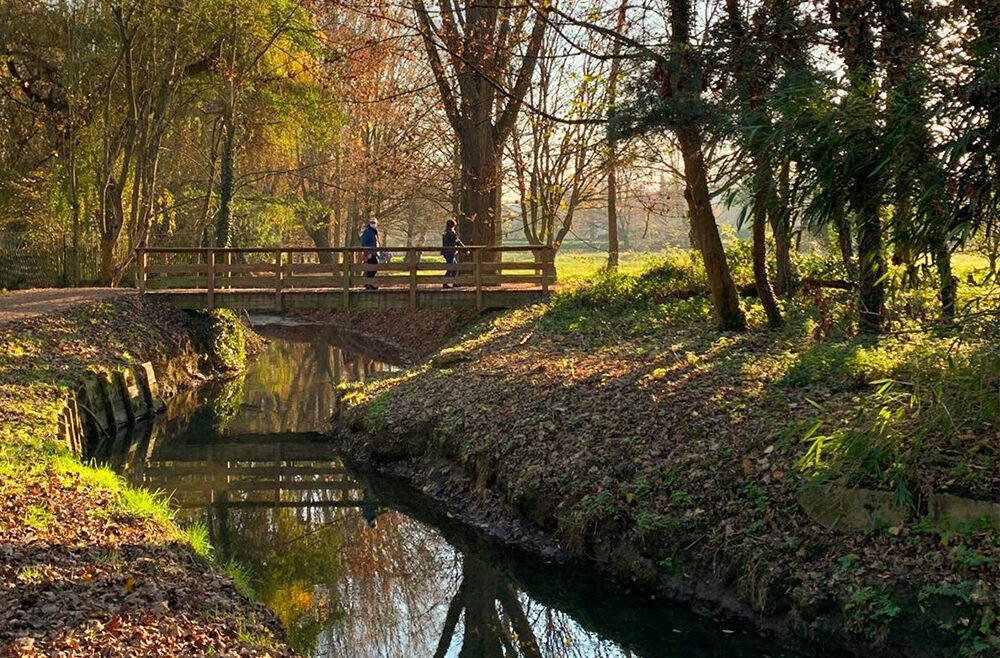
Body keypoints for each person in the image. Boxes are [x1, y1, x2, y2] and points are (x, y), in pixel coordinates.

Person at [441, 219, 463, 288]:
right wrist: (464, 249)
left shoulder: (445, 232)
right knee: (451, 267)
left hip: (446, 252)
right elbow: (457, 242)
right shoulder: (451, 233)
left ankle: (453, 282)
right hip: (450, 252)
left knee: (453, 267)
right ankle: (445, 283)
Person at [360, 219, 379, 289]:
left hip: (373, 253)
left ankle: (368, 283)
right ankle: (368, 283)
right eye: (372, 222)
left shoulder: (373, 232)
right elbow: (364, 243)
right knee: (373, 267)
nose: (374, 224)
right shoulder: (367, 231)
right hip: (370, 253)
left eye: (375, 223)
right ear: (369, 223)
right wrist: (367, 253)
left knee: (373, 268)